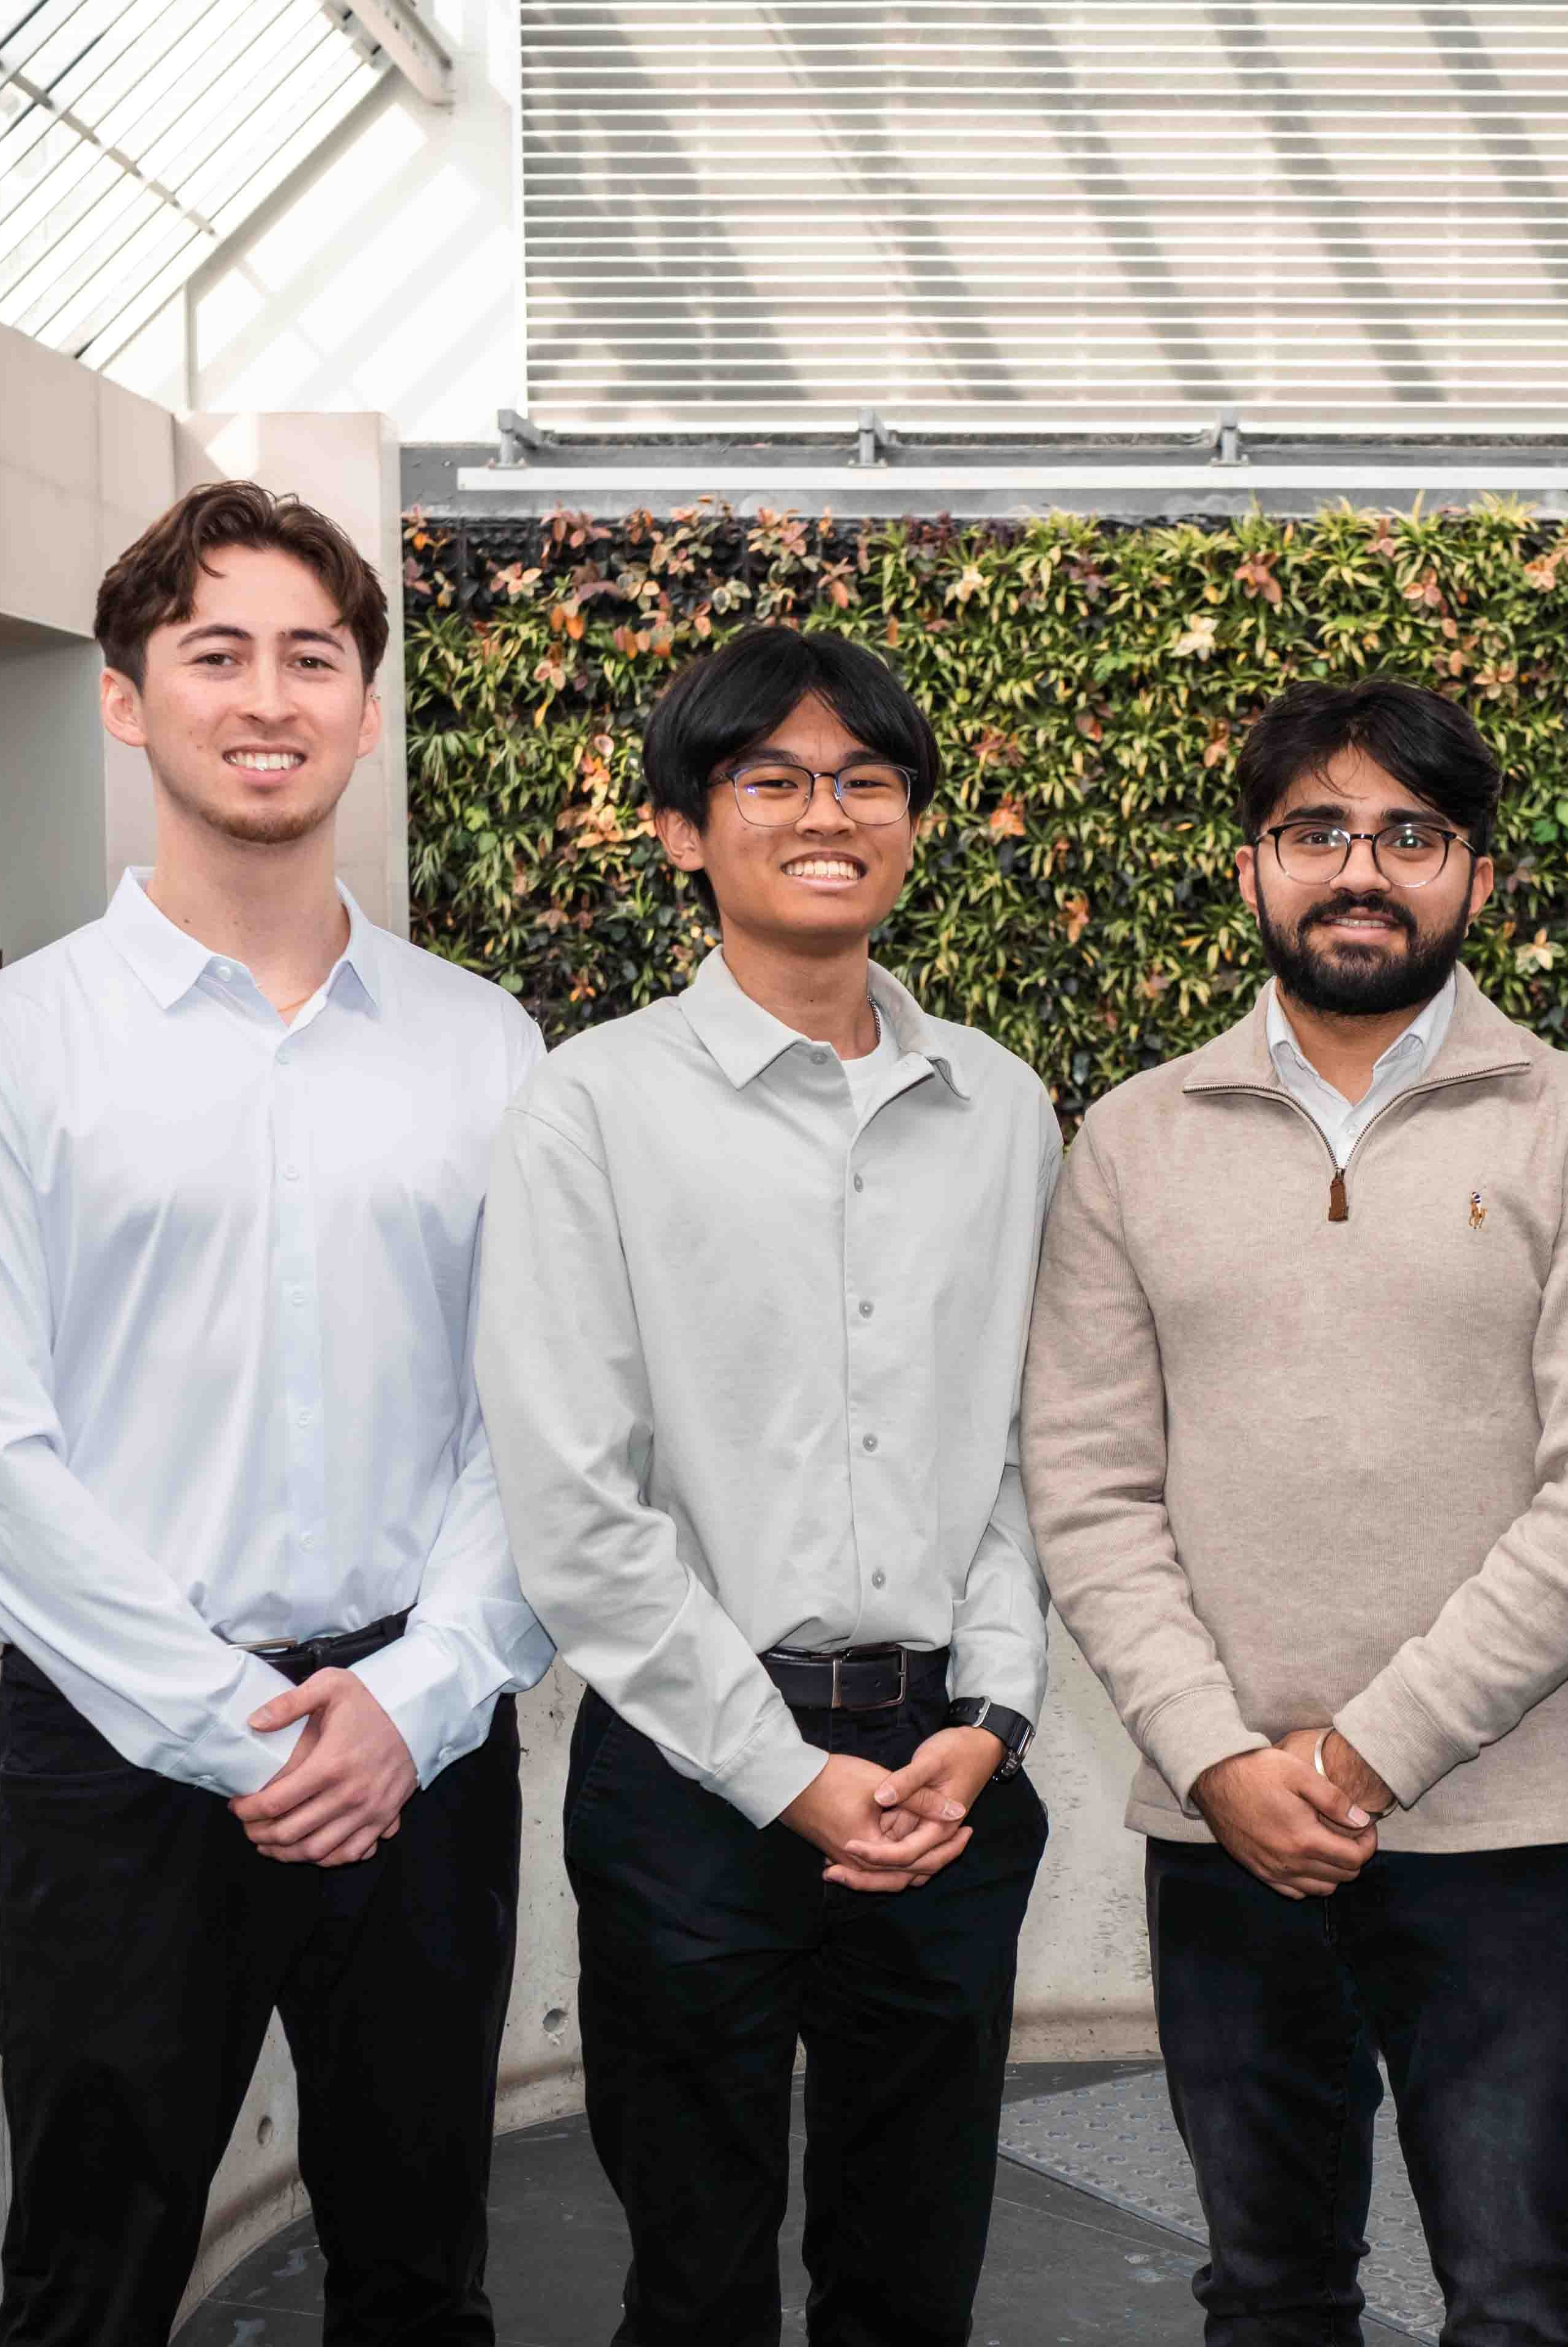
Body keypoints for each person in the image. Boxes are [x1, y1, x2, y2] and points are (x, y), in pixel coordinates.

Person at [0, 480, 553, 2345]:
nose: (265, 697)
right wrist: (233, 1731)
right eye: (214, 655)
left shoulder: (481, 1045)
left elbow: (531, 1424)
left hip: (413, 1754)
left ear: (365, 706)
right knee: (88, 2279)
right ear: (126, 699)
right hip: (113, 1759)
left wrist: (415, 1702)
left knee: (422, 2275)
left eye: (312, 656)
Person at [1022, 676, 1568, 2347]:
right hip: (1225, 1825)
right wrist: (1222, 1761)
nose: (1361, 868)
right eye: (1316, 829)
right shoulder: (1129, 1142)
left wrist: (1364, 1753)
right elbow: (1090, 1486)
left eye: (1412, 833)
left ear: (1478, 876)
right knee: (1268, 2292)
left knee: (1519, 2296)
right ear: (1251, 865)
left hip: (1506, 1833)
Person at [475, 624, 1059, 2347]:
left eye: (867, 780)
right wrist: (783, 1775)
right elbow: (577, 1503)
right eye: (773, 779)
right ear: (682, 827)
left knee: (914, 2276)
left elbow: (1022, 1455)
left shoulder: (1005, 1108)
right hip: (690, 1786)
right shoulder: (589, 1108)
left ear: (912, 822)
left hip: (947, 1772)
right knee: (698, 2278)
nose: (829, 812)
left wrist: (999, 1718)